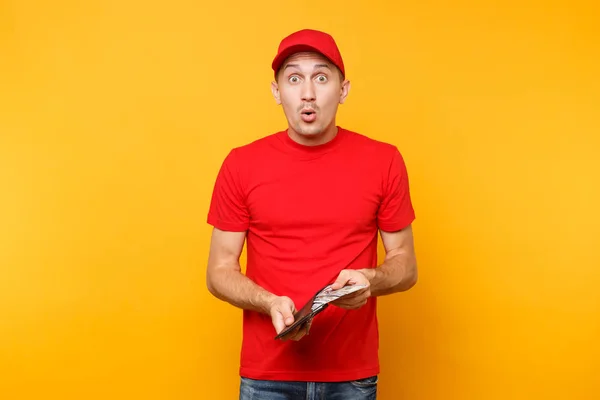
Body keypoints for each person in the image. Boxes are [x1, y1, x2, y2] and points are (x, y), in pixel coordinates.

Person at [205, 28, 418, 399]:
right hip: (266, 375)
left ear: (343, 90)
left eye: (321, 77)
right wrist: (268, 302)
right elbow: (219, 271)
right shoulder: (241, 165)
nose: (308, 93)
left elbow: (406, 265)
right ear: (277, 92)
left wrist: (371, 279)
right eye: (293, 78)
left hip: (352, 376)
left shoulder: (385, 161)